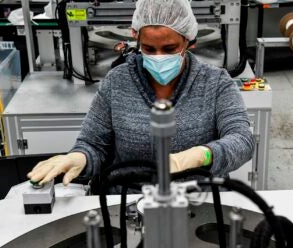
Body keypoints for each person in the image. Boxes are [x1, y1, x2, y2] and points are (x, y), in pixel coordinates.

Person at [28, 0, 254, 187]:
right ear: (136, 38)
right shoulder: (117, 82)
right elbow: (94, 144)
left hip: (195, 203)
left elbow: (242, 140)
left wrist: (200, 156)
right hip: (127, 204)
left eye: (169, 49)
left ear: (189, 41)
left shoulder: (215, 83)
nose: (158, 56)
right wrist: (79, 157)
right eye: (148, 48)